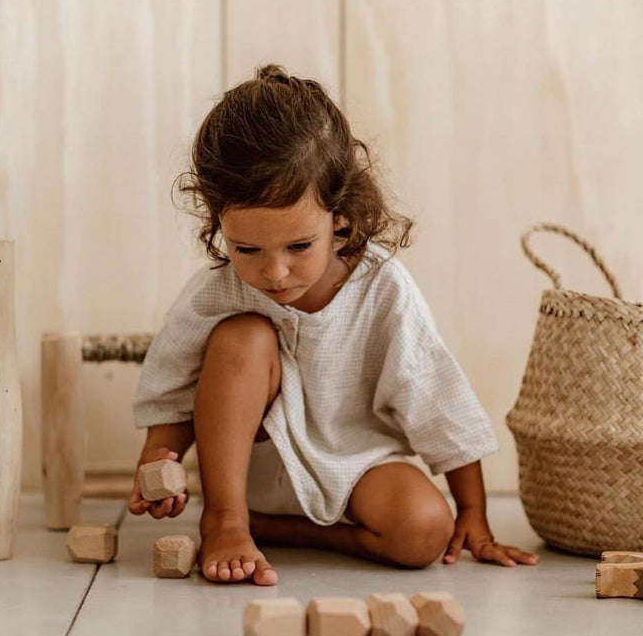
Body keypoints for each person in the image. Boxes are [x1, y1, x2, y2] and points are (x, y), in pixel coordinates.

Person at [129, 64, 539, 585]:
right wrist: (156, 460)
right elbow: (173, 380)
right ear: (218, 225)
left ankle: (280, 531)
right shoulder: (221, 289)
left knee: (425, 530)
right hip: (251, 466)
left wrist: (473, 515)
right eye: (246, 248)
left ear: (340, 217)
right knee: (243, 337)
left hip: (355, 467)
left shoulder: (383, 289)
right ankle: (227, 520)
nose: (273, 273)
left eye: (299, 246)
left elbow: (436, 395)